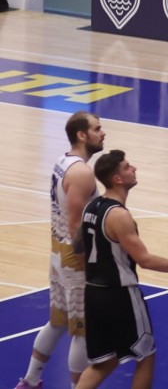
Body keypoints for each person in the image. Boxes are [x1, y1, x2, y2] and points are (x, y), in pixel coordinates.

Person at [75, 150, 168, 389]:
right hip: (120, 294)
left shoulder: (91, 207)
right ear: (117, 179)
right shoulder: (119, 215)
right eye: (127, 167)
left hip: (93, 292)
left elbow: (78, 247)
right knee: (146, 356)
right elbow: (145, 260)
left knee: (104, 362)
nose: (134, 169)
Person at [15, 111, 105, 389]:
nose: (102, 133)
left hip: (58, 249)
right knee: (82, 330)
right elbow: (77, 226)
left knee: (58, 322)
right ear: (81, 134)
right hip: (74, 258)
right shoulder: (82, 173)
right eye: (97, 129)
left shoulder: (62, 162)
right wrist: (89, 265)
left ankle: (30, 380)